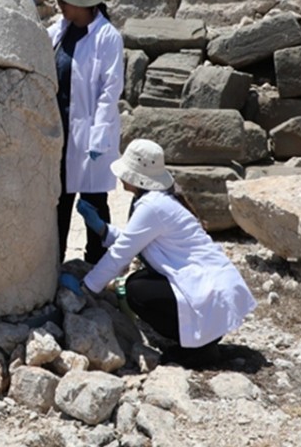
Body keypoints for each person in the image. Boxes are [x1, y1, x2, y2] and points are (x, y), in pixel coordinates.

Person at [60, 139, 257, 367]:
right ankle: (199, 340)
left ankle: (198, 349)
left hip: (210, 291)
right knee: (142, 281)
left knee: (137, 290)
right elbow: (136, 239)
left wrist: (86, 287)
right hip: (213, 289)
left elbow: (121, 254)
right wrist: (102, 229)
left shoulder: (151, 206)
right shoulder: (156, 200)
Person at [46, 0, 124, 264]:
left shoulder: (107, 37)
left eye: (64, 0)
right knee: (59, 202)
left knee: (93, 203)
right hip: (61, 130)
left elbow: (110, 89)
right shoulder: (61, 29)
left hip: (91, 132)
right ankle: (54, 263)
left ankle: (97, 267)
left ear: (81, 3)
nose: (59, 6)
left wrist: (99, 136)